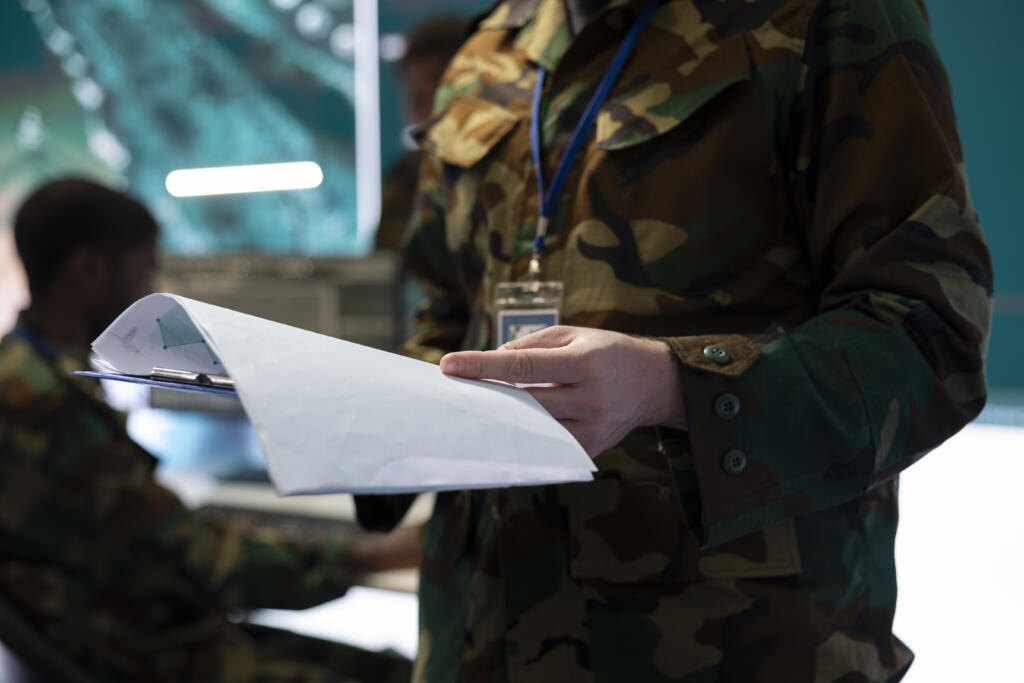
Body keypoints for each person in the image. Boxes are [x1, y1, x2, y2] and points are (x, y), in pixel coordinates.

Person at [355, 0, 993, 681]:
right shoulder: (488, 49)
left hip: (728, 644)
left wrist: (671, 386)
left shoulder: (825, 17)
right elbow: (447, 306)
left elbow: (931, 334)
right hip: (477, 635)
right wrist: (350, 405)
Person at [0, 178, 416, 683]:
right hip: (140, 652)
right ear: (87, 270)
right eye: (142, 274)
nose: (148, 292)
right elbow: (200, 562)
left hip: (119, 631)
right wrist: (368, 555)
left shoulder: (23, 372)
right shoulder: (42, 406)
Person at [376, 17, 467, 251]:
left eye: (441, 95)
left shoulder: (508, 167)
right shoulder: (405, 181)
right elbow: (387, 268)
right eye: (417, 100)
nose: (430, 113)